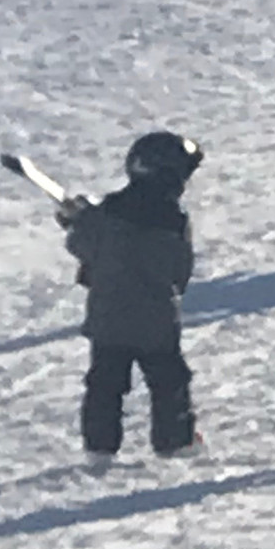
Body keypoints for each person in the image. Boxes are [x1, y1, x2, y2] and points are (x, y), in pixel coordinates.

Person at [60, 131, 204, 457]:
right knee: (169, 382)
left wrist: (75, 221)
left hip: (107, 318)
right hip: (155, 322)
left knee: (105, 384)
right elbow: (179, 274)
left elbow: (81, 244)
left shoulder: (108, 211)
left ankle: (99, 447)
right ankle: (175, 442)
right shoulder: (174, 222)